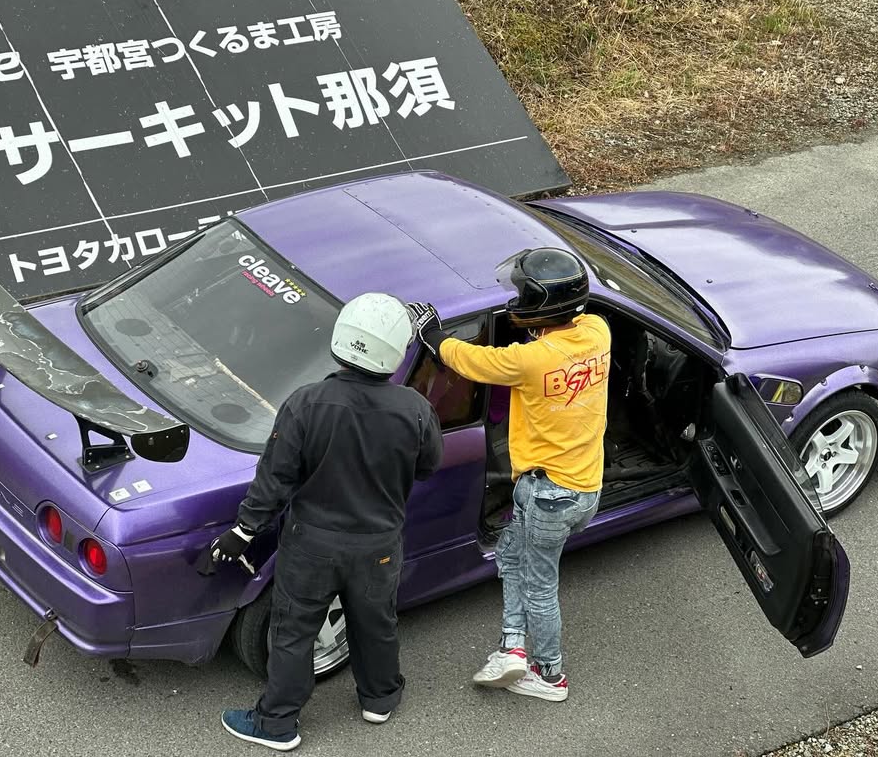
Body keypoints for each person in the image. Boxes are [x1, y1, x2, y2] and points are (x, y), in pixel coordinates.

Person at [208, 292, 444, 751]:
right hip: (377, 545)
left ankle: (277, 724)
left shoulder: (306, 403)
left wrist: (243, 531)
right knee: (375, 623)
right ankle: (379, 699)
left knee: (294, 632)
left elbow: (274, 479)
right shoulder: (415, 409)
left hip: (310, 546)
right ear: (394, 350)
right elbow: (429, 466)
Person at [407, 246, 610, 703]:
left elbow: (471, 362)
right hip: (584, 486)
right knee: (512, 556)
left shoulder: (529, 361)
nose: (516, 301)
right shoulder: (599, 331)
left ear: (542, 307)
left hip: (547, 495)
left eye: (523, 295)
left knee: (540, 588)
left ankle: (550, 677)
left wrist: (432, 333)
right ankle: (512, 648)